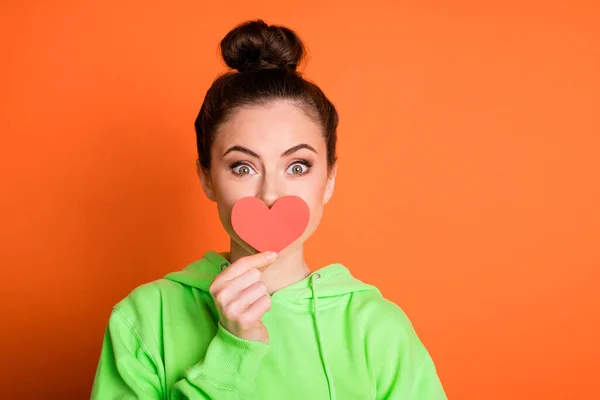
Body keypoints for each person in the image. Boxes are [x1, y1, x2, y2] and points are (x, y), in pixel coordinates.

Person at [91, 19, 447, 400]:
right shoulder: (144, 319)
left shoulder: (378, 329)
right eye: (242, 167)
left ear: (329, 179)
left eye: (298, 166)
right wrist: (233, 350)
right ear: (207, 178)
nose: (270, 194)